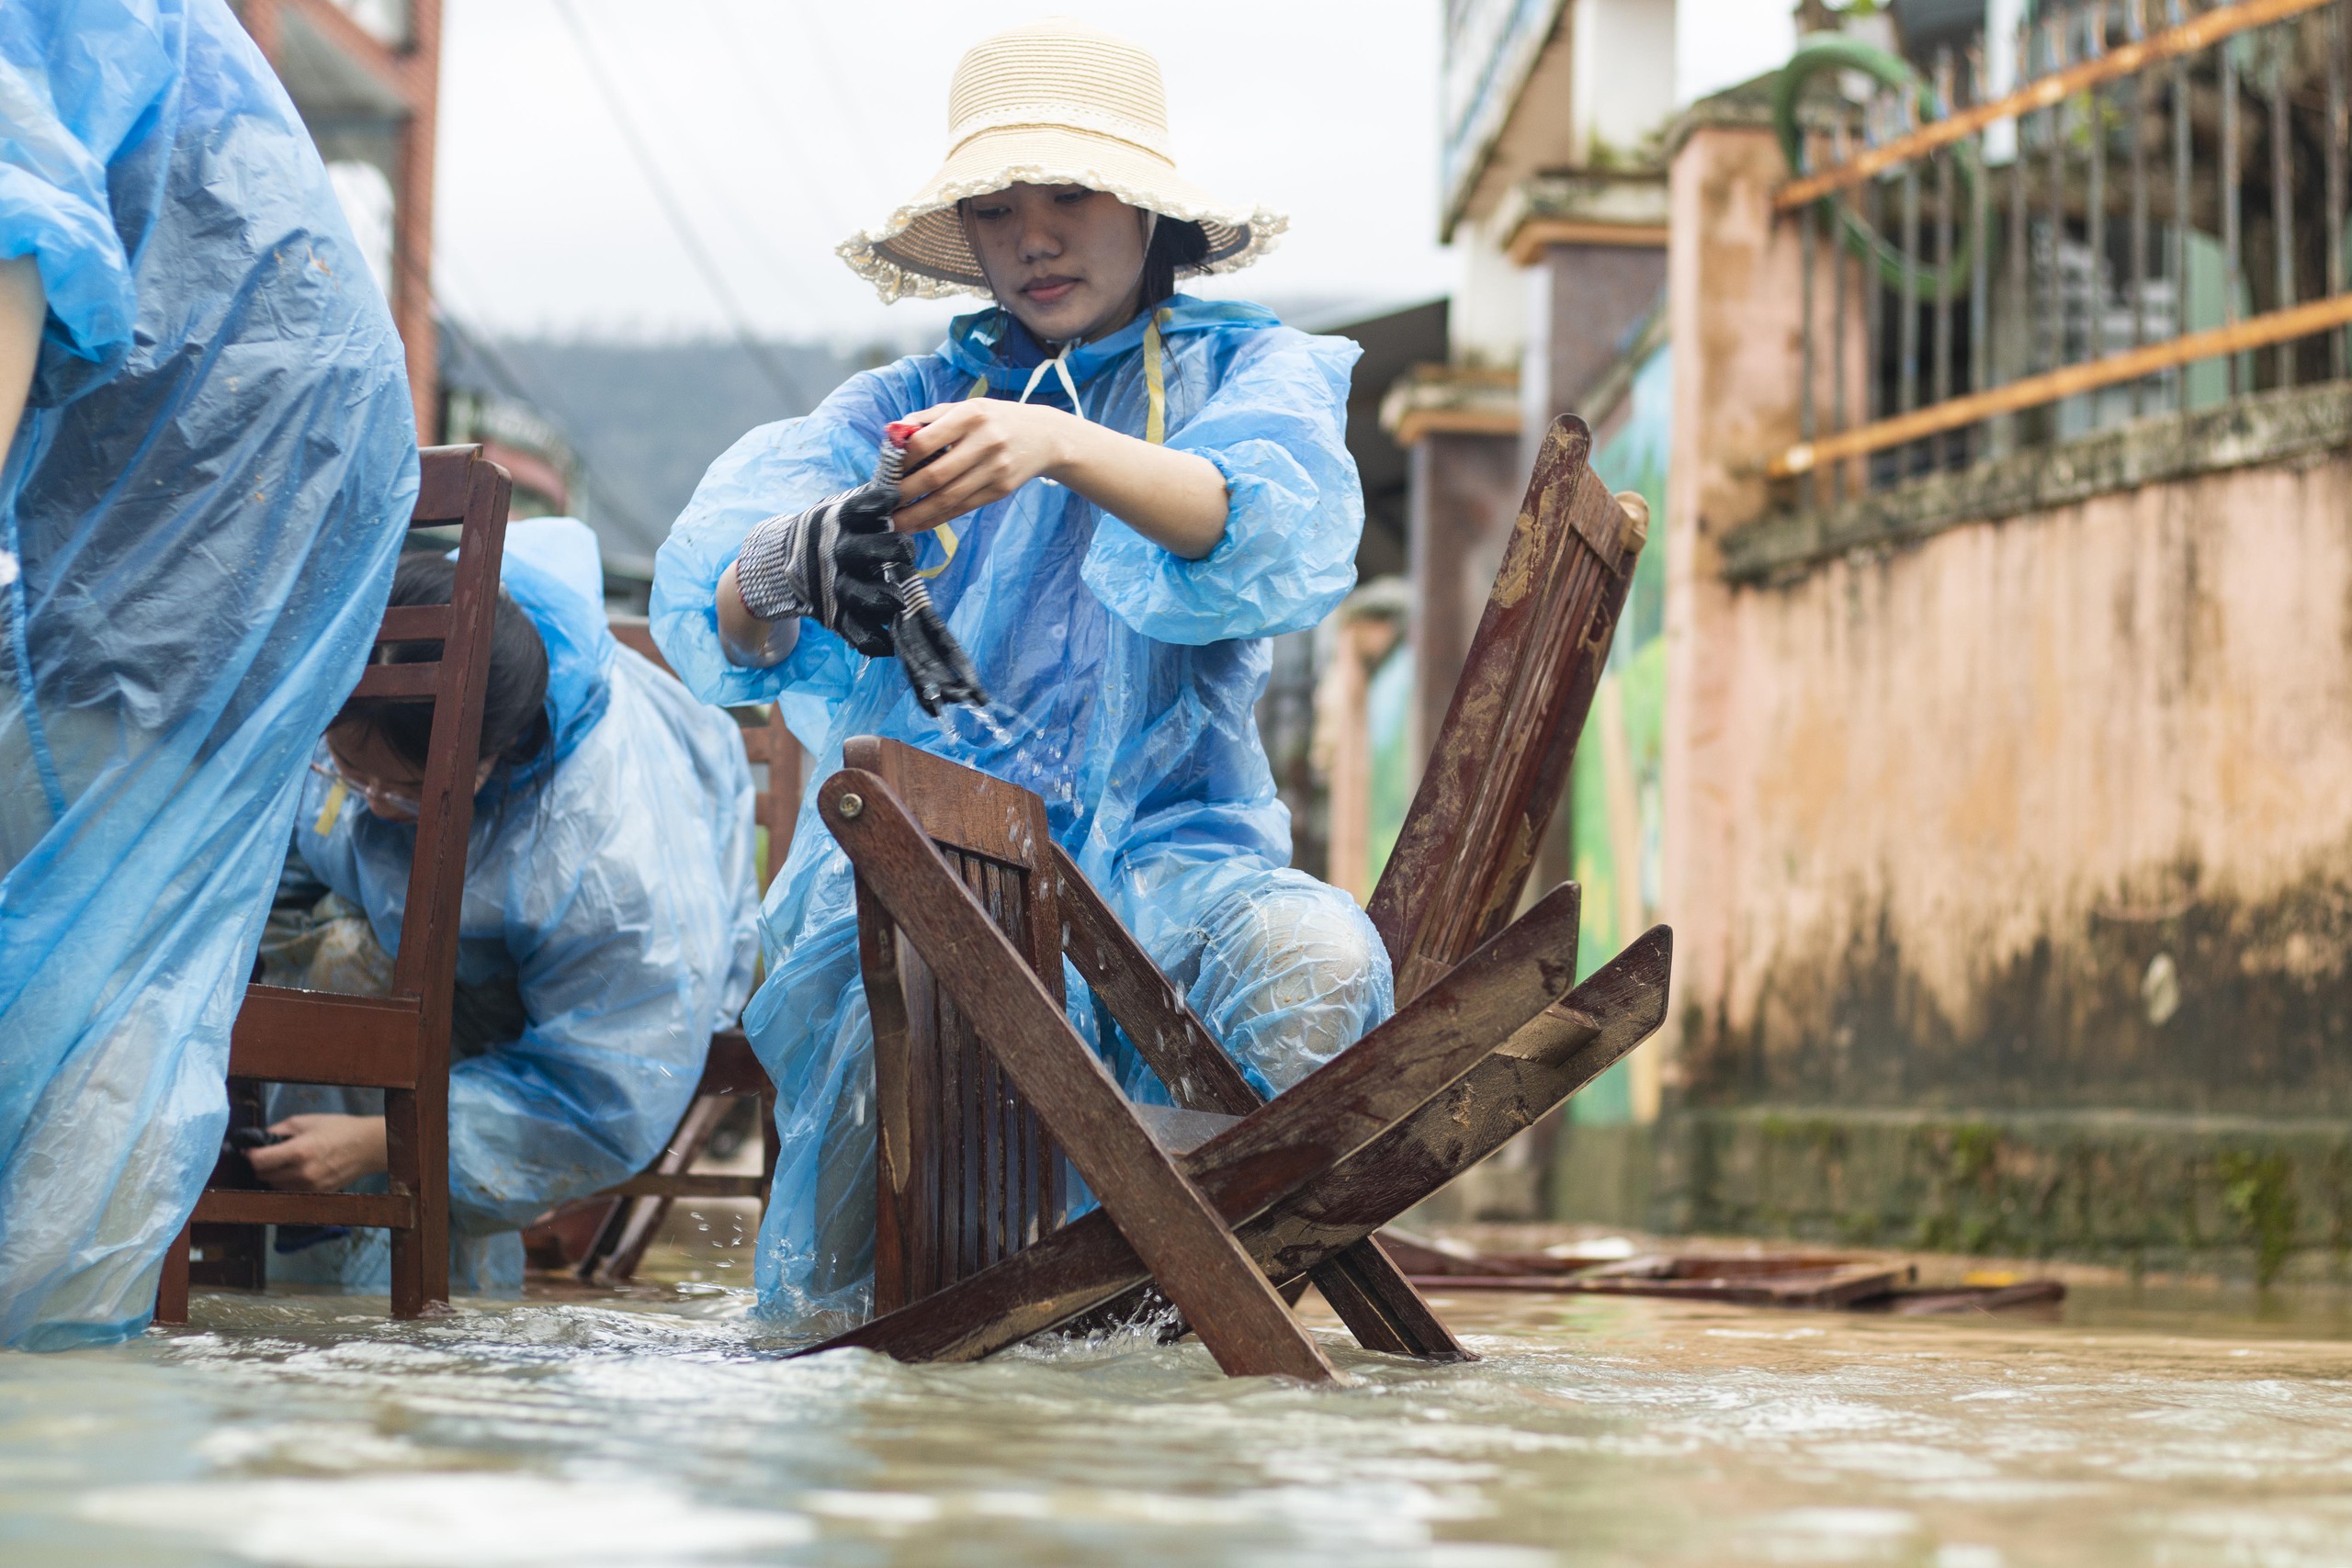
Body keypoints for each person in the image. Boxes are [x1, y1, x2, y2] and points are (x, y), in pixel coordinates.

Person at [654, 18, 1393, 1329]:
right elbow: (721, 611)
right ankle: (867, 1368)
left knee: (1317, 961)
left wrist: (1058, 443)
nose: (1033, 239)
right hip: (930, 882)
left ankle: (1177, 1330)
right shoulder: (899, 406)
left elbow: (1267, 528)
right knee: (895, 1037)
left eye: (1070, 197)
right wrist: (791, 559)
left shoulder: (1247, 371)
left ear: (1148, 211)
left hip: (1179, 870)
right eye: (996, 210)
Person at [0, 0, 418, 1348]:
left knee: (99, 915)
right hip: (211, 433)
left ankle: (46, 1349)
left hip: (208, 444)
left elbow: (15, 240)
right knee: (111, 916)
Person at [249, 521, 763, 1292]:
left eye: (405, 790)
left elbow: (608, 1089)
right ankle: (331, 1292)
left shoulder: (608, 857)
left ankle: (411, 1317)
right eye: (350, 771)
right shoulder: (391, 671)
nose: (372, 805)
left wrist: (380, 1140)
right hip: (427, 942)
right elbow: (280, 862)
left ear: (496, 754)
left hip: (604, 1012)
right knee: (328, 973)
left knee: (355, 973)